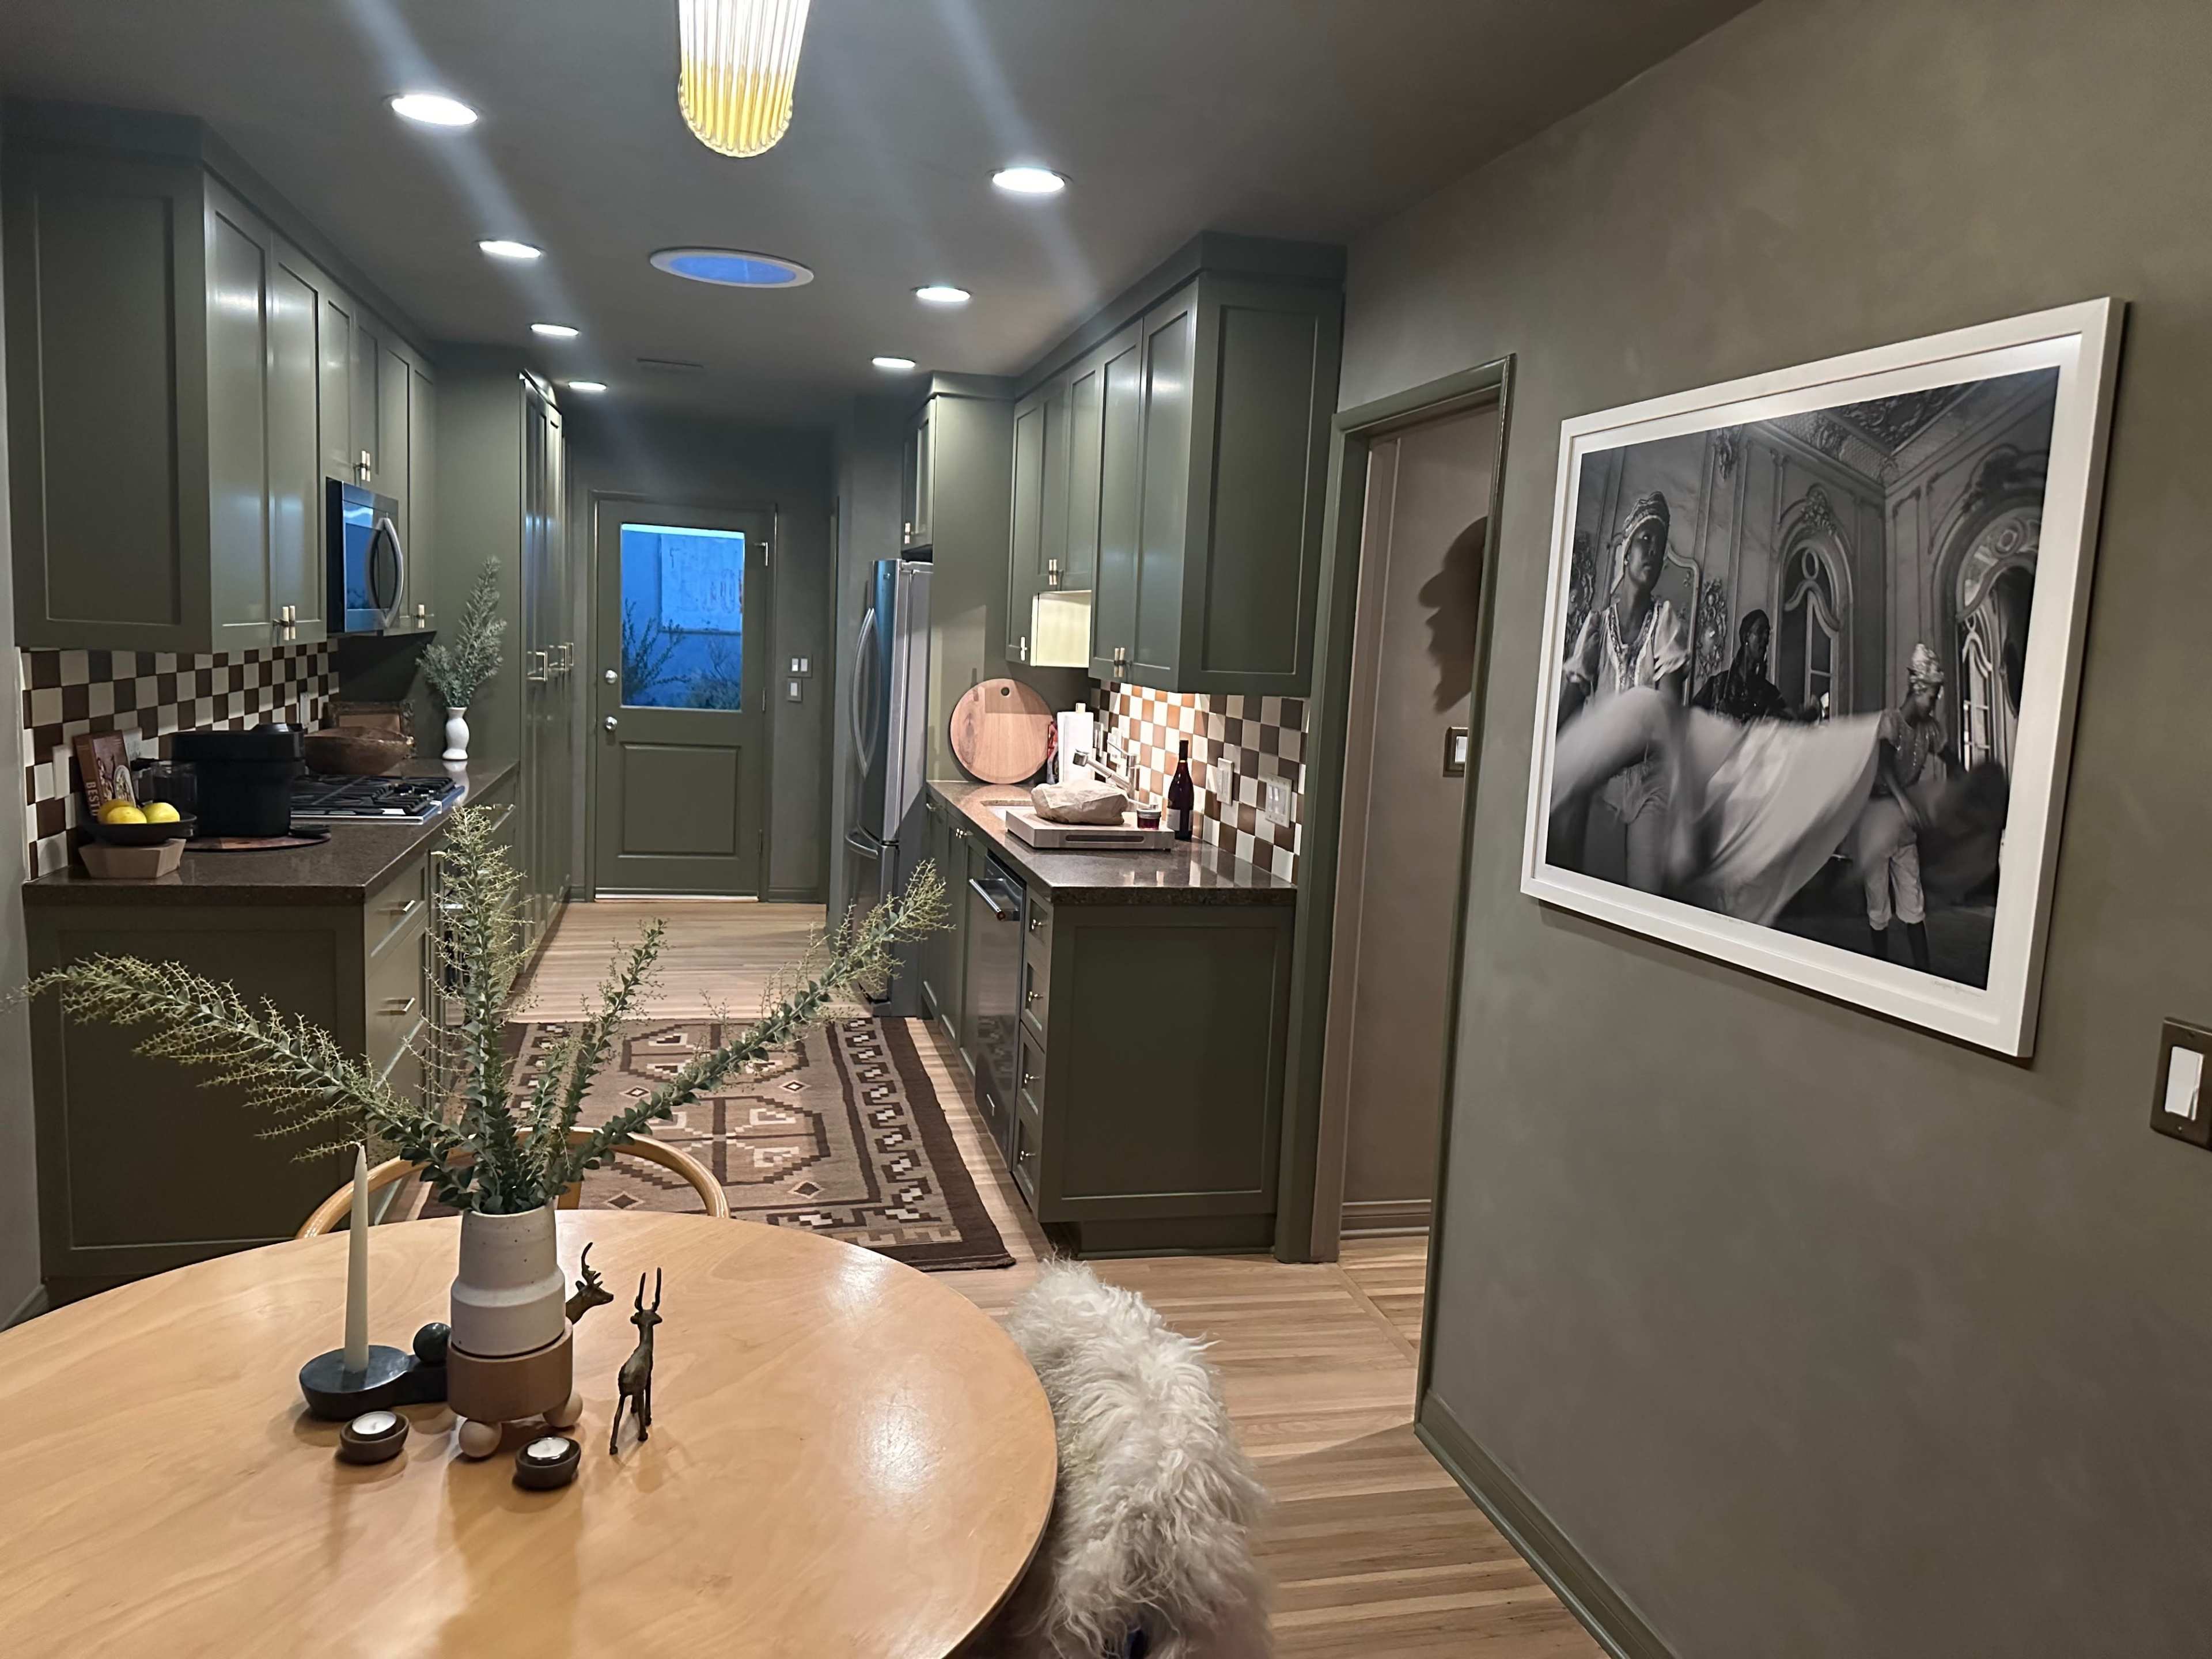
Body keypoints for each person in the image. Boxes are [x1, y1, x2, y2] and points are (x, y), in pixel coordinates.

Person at [1545, 682, 2005, 938]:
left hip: (1730, 783)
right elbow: (1656, 711)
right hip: (1720, 770)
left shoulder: (1862, 796)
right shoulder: (1858, 766)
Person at [1553, 491, 1689, 891]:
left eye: (1659, 544)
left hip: (1650, 782)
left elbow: (1667, 716)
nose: (1652, 550)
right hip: (1603, 785)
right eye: (1645, 539)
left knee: (1644, 896)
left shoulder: (1665, 622)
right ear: (1626, 550)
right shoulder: (1596, 627)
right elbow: (1565, 714)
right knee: (1600, 895)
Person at [1863, 644, 1957, 971]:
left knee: (1913, 901)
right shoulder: (1890, 722)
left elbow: (1952, 760)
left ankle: (1924, 973)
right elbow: (1886, 766)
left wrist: (1965, 783)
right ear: (1918, 689)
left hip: (1903, 830)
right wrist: (1905, 802)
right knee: (1878, 903)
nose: (1935, 702)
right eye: (1933, 694)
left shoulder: (1930, 730)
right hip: (1876, 824)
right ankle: (1880, 969)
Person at [1691, 609, 1793, 724]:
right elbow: (1692, 721)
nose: (1765, 638)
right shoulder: (1717, 686)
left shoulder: (1771, 694)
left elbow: (1788, 725)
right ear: (1746, 637)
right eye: (1760, 632)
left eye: (1767, 633)